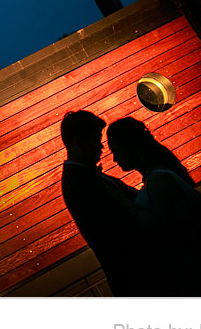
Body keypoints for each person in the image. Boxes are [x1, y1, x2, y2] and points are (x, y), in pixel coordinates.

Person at [107, 116, 201, 296]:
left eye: (118, 151)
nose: (115, 159)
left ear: (132, 146)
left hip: (194, 266)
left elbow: (170, 229)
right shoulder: (157, 176)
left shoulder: (158, 180)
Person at [60, 110, 166, 296]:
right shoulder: (82, 182)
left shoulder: (83, 177)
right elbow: (121, 227)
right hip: (140, 277)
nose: (100, 147)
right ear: (79, 141)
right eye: (95, 139)